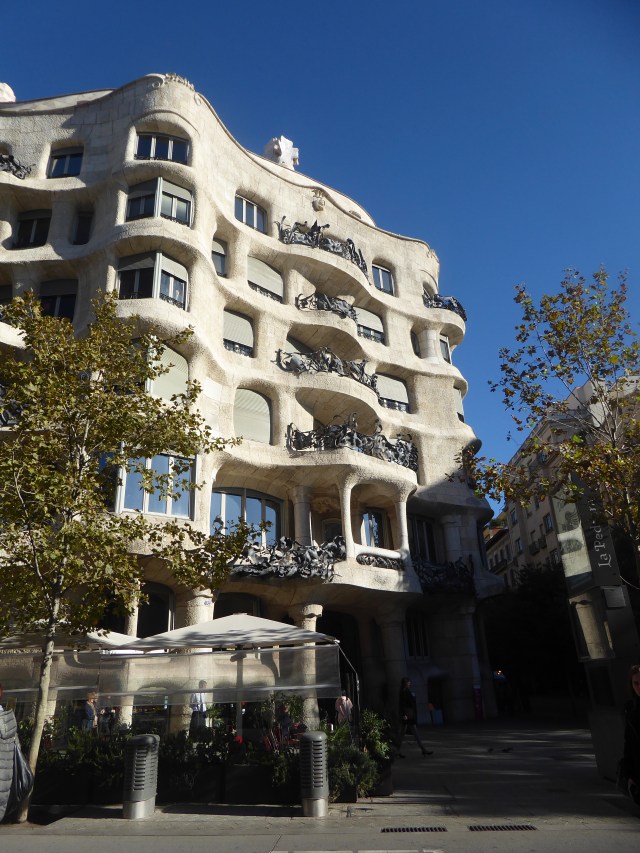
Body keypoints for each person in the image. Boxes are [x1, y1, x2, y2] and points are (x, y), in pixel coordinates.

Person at [397, 677, 432, 758]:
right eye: (408, 682)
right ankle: (423, 750)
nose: (410, 683)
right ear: (405, 683)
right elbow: (401, 705)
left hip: (409, 715)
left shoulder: (407, 691)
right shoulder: (403, 692)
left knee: (404, 734)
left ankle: (397, 751)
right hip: (407, 716)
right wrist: (403, 715)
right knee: (410, 734)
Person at [621, 664, 640, 805]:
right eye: (636, 683)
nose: (639, 687)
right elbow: (629, 744)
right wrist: (629, 773)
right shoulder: (631, 709)